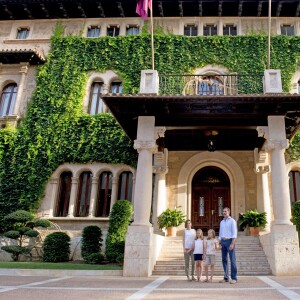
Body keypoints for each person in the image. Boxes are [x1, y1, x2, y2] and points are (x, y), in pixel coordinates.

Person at [219, 207, 238, 284]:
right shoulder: (222, 222)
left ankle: (234, 278)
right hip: (223, 241)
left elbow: (234, 233)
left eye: (225, 211)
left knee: (232, 260)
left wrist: (232, 243)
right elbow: (220, 233)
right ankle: (226, 277)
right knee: (224, 260)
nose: (224, 212)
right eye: (223, 211)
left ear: (229, 212)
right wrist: (219, 243)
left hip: (230, 241)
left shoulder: (232, 221)